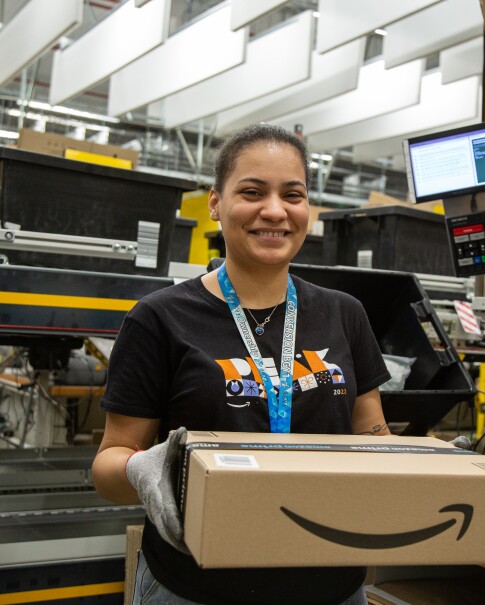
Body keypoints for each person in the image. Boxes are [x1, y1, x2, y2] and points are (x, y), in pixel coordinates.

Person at [92, 123, 392, 605]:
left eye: (292, 195)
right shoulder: (160, 318)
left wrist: (422, 464)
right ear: (216, 202)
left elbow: (371, 434)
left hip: (331, 585)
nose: (275, 211)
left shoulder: (344, 313)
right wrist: (145, 470)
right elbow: (108, 463)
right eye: (252, 192)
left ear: (307, 208)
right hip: (197, 587)